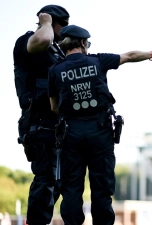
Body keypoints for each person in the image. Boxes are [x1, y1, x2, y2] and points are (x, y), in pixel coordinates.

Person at [48, 25, 152, 225]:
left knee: (71, 189)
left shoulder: (55, 71)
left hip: (72, 134)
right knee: (102, 189)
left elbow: (54, 107)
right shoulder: (98, 61)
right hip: (100, 133)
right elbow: (130, 55)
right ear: (82, 43)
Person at [13, 5, 69, 225]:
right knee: (46, 179)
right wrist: (45, 23)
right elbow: (43, 40)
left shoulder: (57, 51)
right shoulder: (28, 41)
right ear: (49, 21)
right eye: (61, 25)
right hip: (38, 121)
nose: (64, 29)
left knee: (59, 182)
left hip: (58, 124)